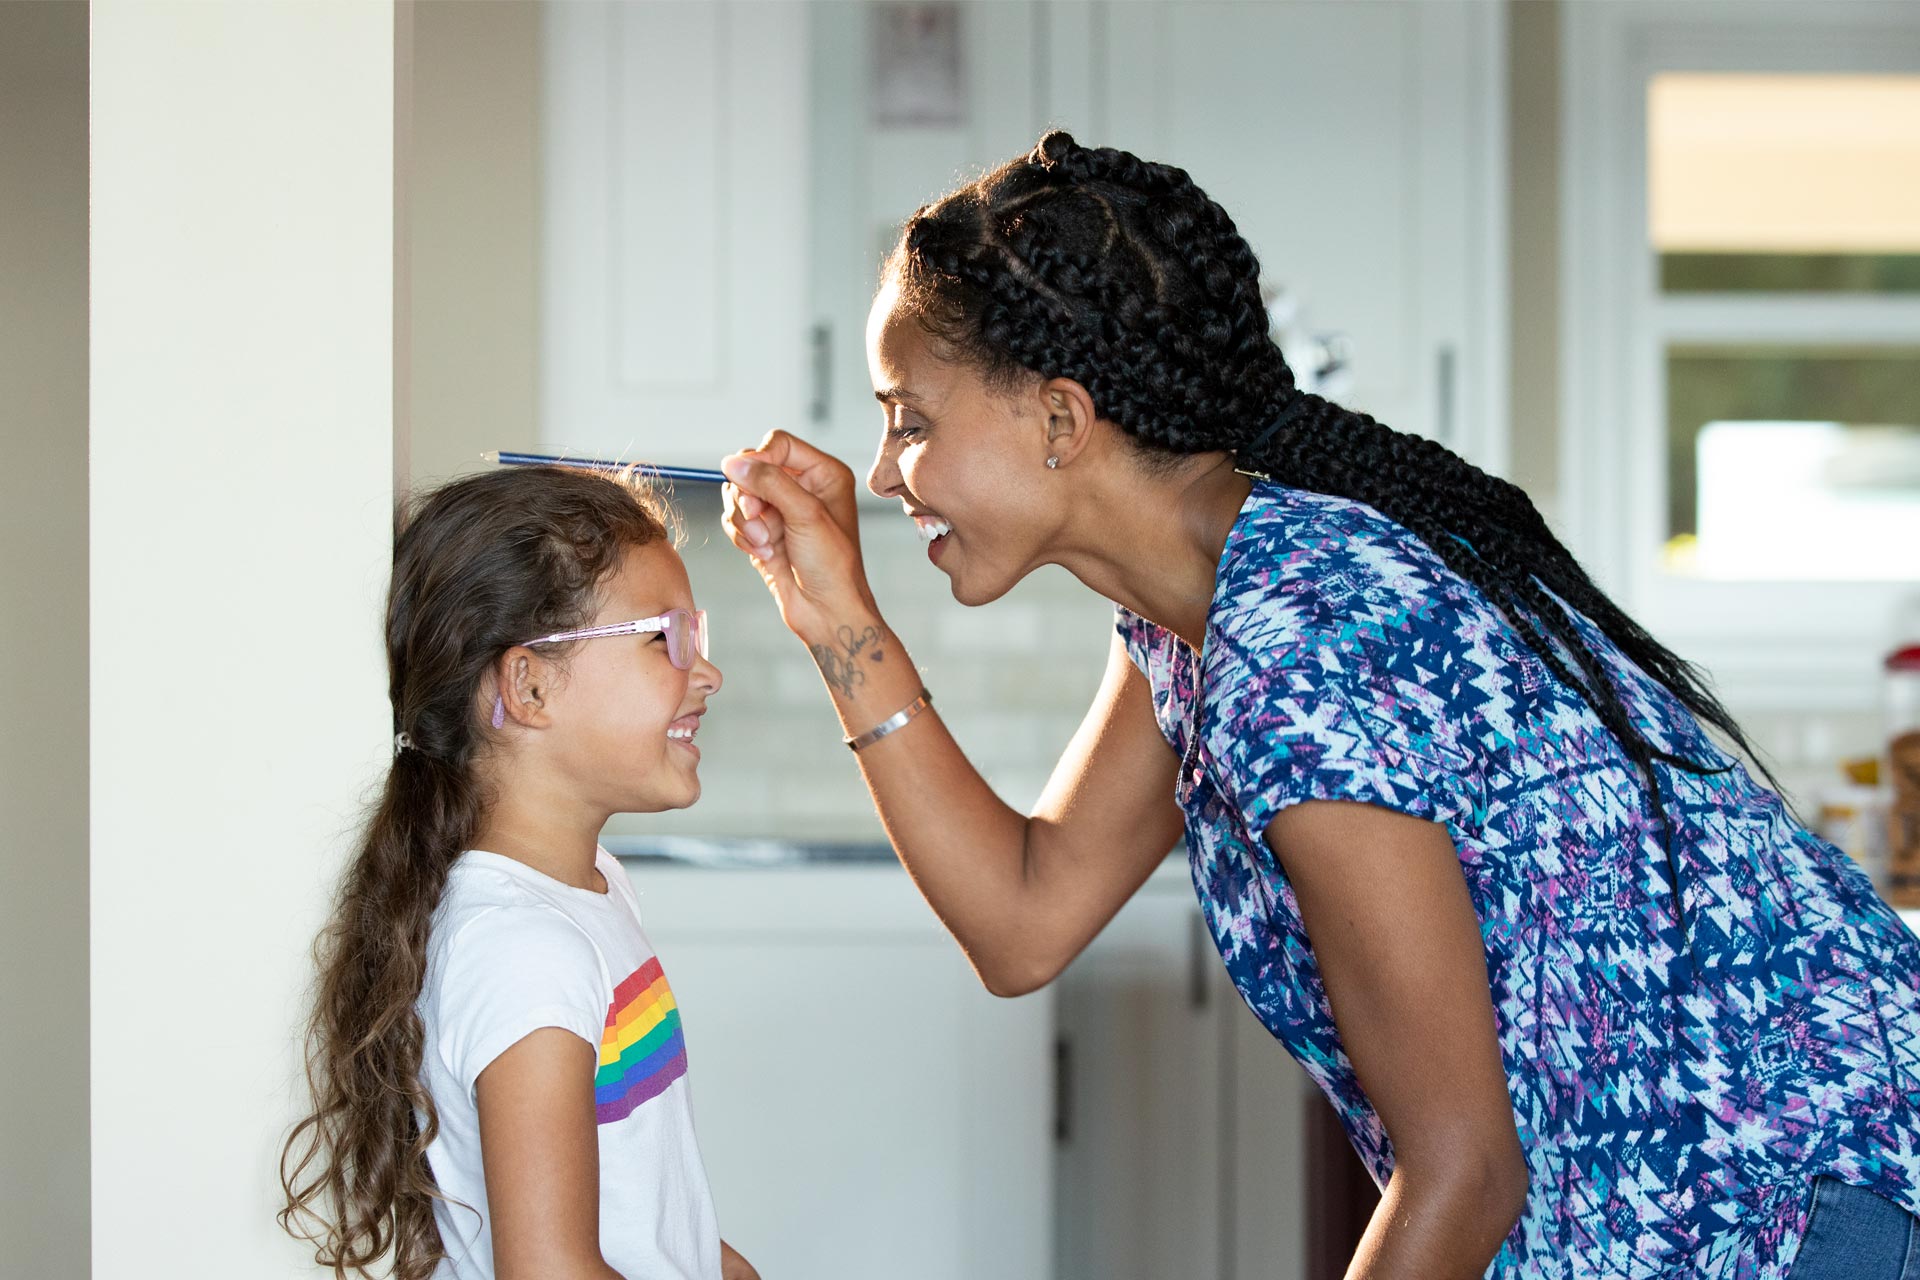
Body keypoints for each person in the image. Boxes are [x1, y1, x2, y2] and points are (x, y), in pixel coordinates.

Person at [716, 132, 1920, 1279]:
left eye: (910, 420)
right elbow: (1025, 918)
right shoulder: (1201, 610)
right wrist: (830, 616)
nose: (883, 472)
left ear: (1063, 418)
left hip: (1812, 1210)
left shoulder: (1301, 646)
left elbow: (1464, 1173)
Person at [280, 467, 757, 1280]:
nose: (705, 673)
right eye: (664, 638)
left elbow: (648, 1211)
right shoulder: (526, 950)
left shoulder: (588, 888)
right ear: (529, 684)